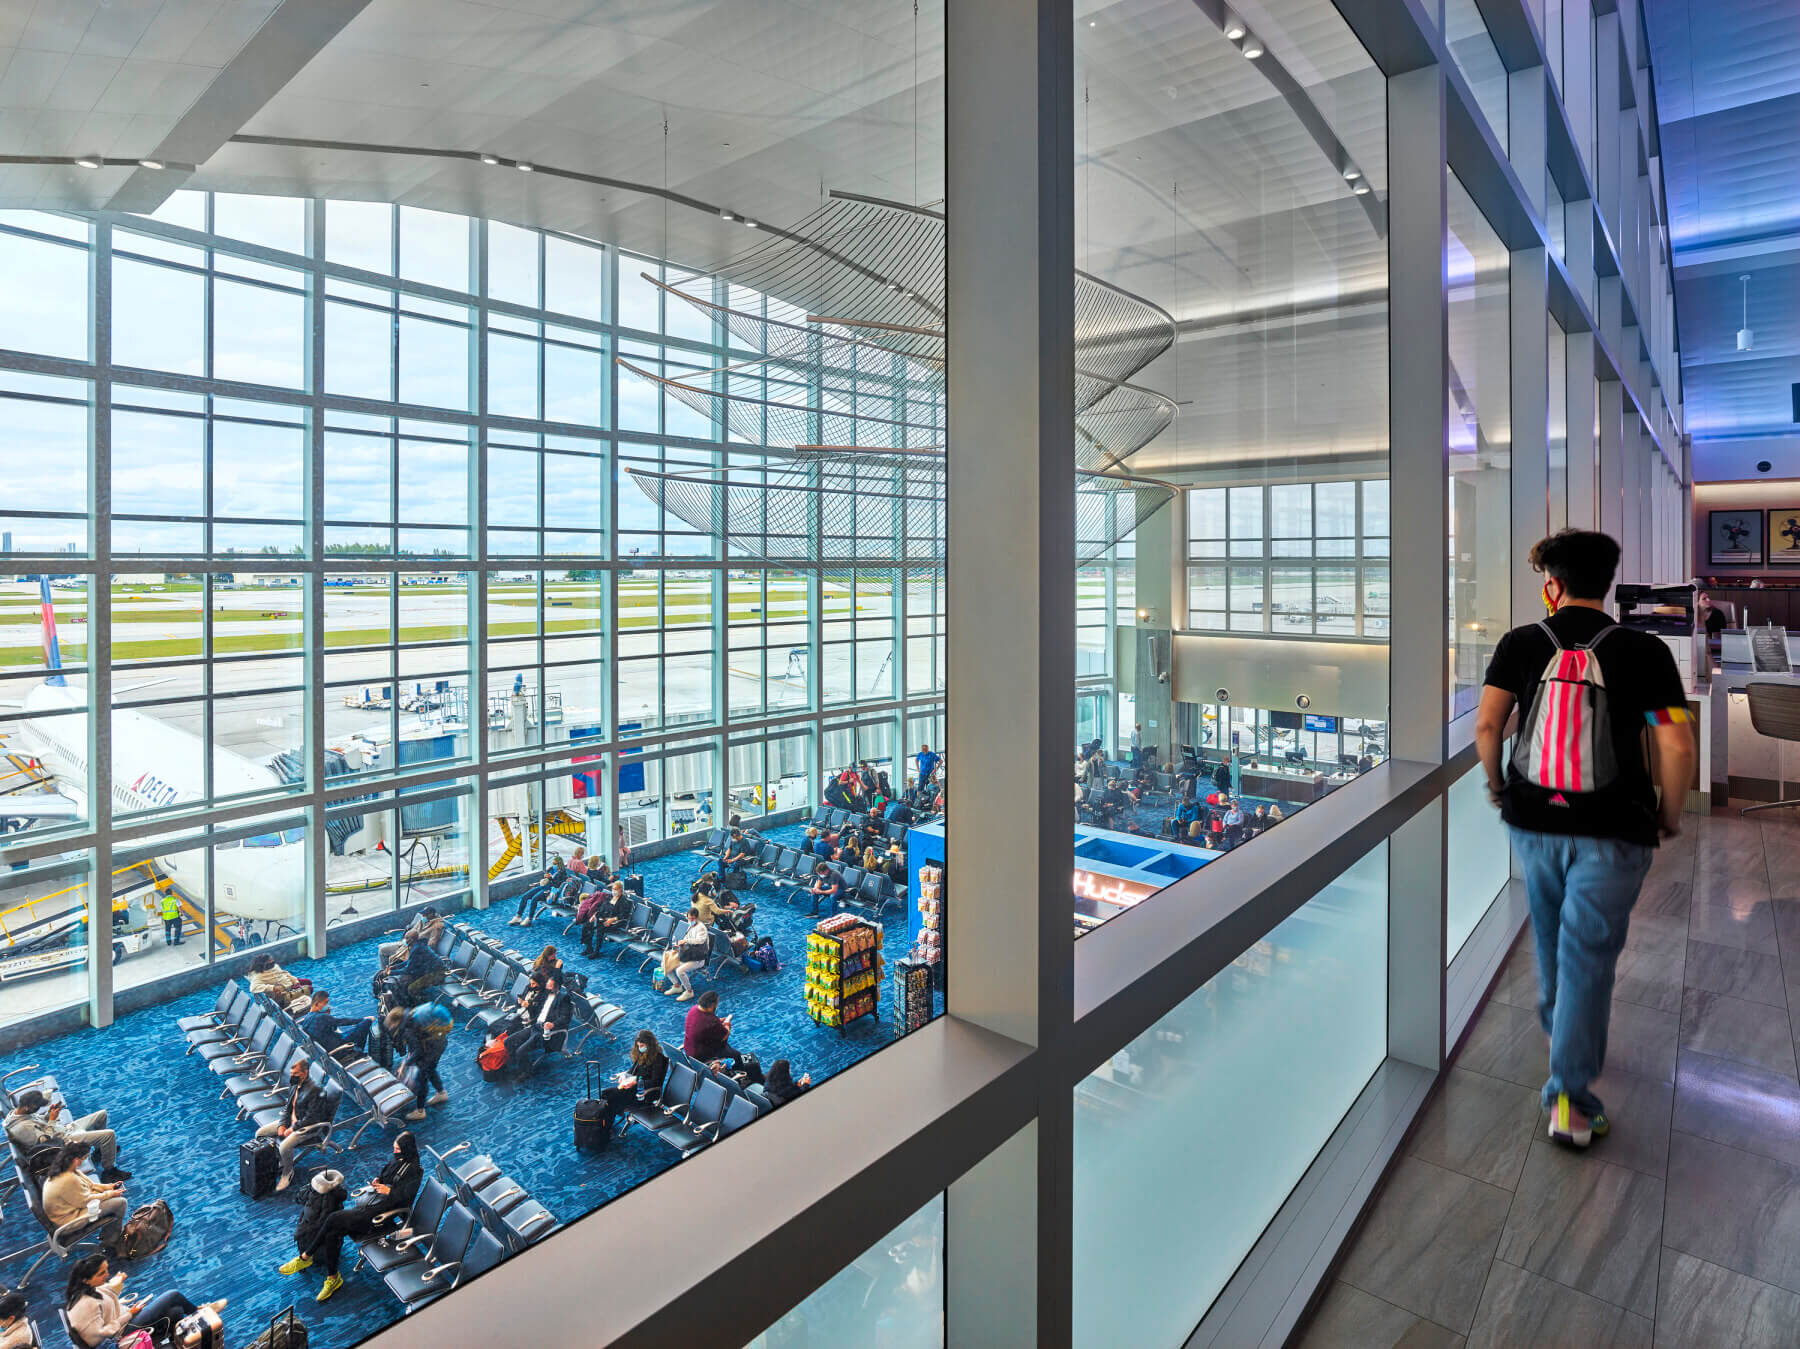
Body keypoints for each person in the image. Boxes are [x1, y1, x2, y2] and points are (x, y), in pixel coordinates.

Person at [1475, 529, 1697, 1149]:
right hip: (1615, 827)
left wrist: (1498, 786)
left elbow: (1489, 726)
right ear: (1607, 583)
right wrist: (1669, 814)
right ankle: (1569, 1096)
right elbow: (1677, 742)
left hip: (1533, 821)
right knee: (1587, 955)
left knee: (1551, 940)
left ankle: (1567, 1034)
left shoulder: (1522, 643)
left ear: (1553, 585)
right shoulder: (1645, 651)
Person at [284, 1131, 423, 1301]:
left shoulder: (414, 1170)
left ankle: (306, 1257)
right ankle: (332, 1278)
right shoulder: (398, 1159)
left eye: (397, 1148)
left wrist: (390, 1191)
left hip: (380, 1216)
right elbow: (386, 1175)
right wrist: (378, 1181)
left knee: (333, 1219)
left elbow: (406, 1199)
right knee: (332, 1233)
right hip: (374, 1204)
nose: (394, 1151)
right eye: (394, 1147)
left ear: (406, 1149)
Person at [64, 1255, 219, 1349]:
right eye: (101, 1273)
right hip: (119, 1335)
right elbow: (101, 1335)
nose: (107, 1274)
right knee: (173, 1295)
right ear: (86, 1279)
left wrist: (116, 1286)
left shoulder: (87, 1289)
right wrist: (129, 1314)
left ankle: (181, 1341)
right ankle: (200, 1312)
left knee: (176, 1312)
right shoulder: (86, 1304)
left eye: (106, 1270)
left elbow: (106, 1301)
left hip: (124, 1320)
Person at [7, 1089, 128, 1181]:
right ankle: (109, 1171)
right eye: (37, 1107)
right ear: (28, 1107)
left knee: (102, 1114)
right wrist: (52, 1120)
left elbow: (40, 1123)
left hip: (63, 1130)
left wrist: (49, 1114)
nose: (39, 1109)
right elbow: (45, 1143)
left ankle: (100, 1151)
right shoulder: (22, 1128)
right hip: (63, 1142)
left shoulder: (19, 1113)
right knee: (109, 1135)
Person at [254, 1055, 335, 1192]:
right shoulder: (294, 1085)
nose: (293, 1076)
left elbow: (312, 1118)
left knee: (284, 1146)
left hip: (307, 1128)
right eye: (292, 1074)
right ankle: (280, 1159)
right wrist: (282, 1124)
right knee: (260, 1134)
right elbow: (287, 1108)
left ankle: (288, 1171)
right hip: (292, 1122)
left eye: (296, 1074)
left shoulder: (316, 1090)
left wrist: (292, 1129)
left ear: (305, 1073)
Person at [42, 1143, 126, 1250]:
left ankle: (107, 1234)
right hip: (70, 1222)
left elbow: (91, 1186)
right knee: (121, 1203)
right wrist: (110, 1194)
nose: (85, 1161)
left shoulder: (65, 1168)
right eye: (85, 1158)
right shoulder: (69, 1179)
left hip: (69, 1210)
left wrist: (109, 1187)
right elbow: (85, 1201)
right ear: (76, 1160)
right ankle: (111, 1240)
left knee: (110, 1197)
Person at [385, 1000, 453, 1121]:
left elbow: (418, 1050)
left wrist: (405, 1063)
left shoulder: (408, 1028)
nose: (391, 1027)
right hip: (440, 1043)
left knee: (421, 1079)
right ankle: (441, 1093)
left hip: (430, 1050)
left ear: (396, 1021)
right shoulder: (410, 1014)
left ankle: (420, 1111)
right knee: (431, 1070)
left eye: (391, 1025)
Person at [284, 1168, 346, 1300]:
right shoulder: (327, 1193)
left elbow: (300, 1199)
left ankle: (308, 1262)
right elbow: (300, 1198)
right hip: (311, 1228)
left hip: (320, 1230)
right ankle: (305, 1260)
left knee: (326, 1240)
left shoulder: (326, 1197)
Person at [598, 1031, 670, 1135]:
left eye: (642, 1046)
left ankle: (605, 1126)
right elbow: (633, 1071)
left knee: (609, 1096)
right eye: (638, 1046)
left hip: (645, 1093)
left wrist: (636, 1080)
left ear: (650, 1045)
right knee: (607, 1095)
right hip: (633, 1087)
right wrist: (625, 1075)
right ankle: (605, 1125)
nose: (640, 1048)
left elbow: (655, 1082)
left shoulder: (659, 1059)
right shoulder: (641, 1054)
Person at [301, 990, 373, 1056]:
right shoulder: (322, 1017)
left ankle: (357, 1051)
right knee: (366, 1022)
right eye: (326, 1003)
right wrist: (363, 1019)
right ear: (316, 1004)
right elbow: (342, 1022)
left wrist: (328, 1015)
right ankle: (358, 1053)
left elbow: (333, 1027)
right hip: (338, 1046)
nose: (327, 1005)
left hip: (327, 1046)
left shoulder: (307, 1017)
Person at [683, 989, 742, 1069]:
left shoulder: (693, 1010)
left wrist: (718, 1022)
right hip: (701, 1055)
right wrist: (727, 1024)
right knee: (737, 1055)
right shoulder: (711, 1021)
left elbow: (703, 1026)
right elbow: (725, 1036)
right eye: (716, 1004)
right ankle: (740, 1073)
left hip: (689, 1049)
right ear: (711, 1005)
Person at [509, 856, 568, 926]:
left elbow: (557, 885)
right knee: (525, 896)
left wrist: (551, 878)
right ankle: (518, 916)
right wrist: (546, 876)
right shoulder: (551, 869)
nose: (554, 865)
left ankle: (529, 919)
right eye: (553, 863)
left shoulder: (562, 873)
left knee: (534, 899)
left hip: (549, 891)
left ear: (559, 864)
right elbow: (546, 879)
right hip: (543, 886)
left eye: (555, 864)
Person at [667, 909, 710, 1002]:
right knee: (666, 963)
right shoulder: (691, 926)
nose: (690, 920)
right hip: (688, 954)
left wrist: (686, 941)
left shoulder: (701, 928)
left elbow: (700, 941)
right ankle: (677, 986)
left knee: (679, 971)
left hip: (698, 958)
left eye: (692, 919)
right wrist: (680, 944)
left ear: (697, 918)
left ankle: (689, 991)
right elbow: (687, 938)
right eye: (689, 918)